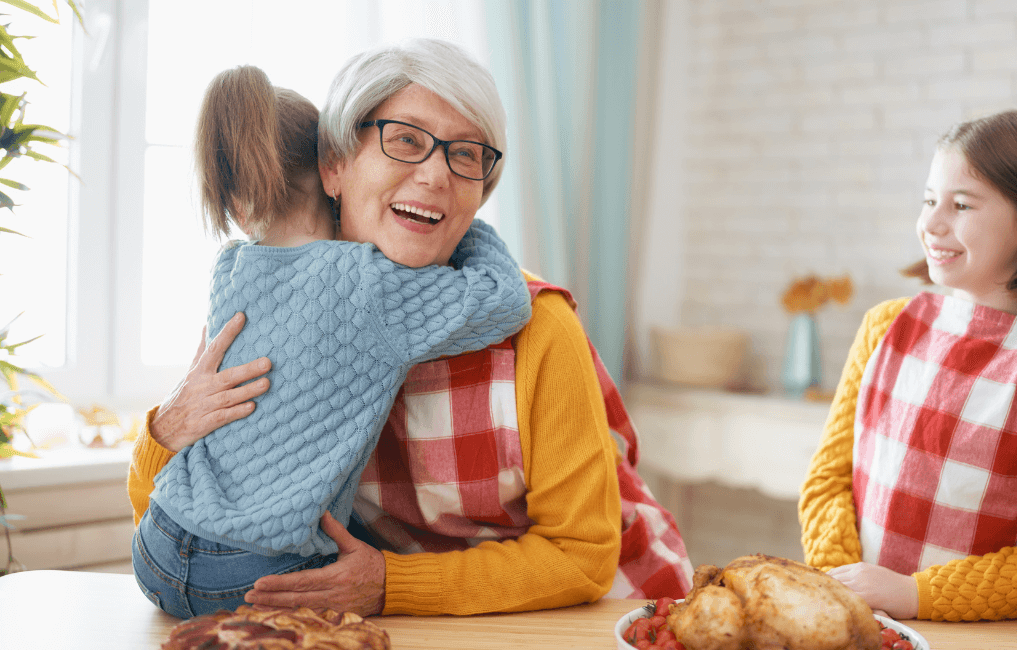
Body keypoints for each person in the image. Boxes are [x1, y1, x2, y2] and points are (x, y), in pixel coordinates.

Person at [127, 39, 693, 619]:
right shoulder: (285, 309)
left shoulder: (540, 326)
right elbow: (176, 518)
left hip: (603, 617)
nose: (435, 176)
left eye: (467, 155)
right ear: (335, 164)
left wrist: (391, 584)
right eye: (405, 140)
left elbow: (582, 558)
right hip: (425, 624)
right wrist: (167, 428)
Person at [130, 64, 532, 619]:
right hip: (254, 576)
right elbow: (505, 299)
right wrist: (464, 218)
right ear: (331, 172)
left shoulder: (230, 268)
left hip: (156, 547)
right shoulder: (369, 282)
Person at [799, 111, 1017, 622]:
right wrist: (851, 589)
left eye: (961, 204)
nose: (931, 223)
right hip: (862, 626)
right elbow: (826, 482)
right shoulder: (883, 326)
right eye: (929, 200)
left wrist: (913, 595)